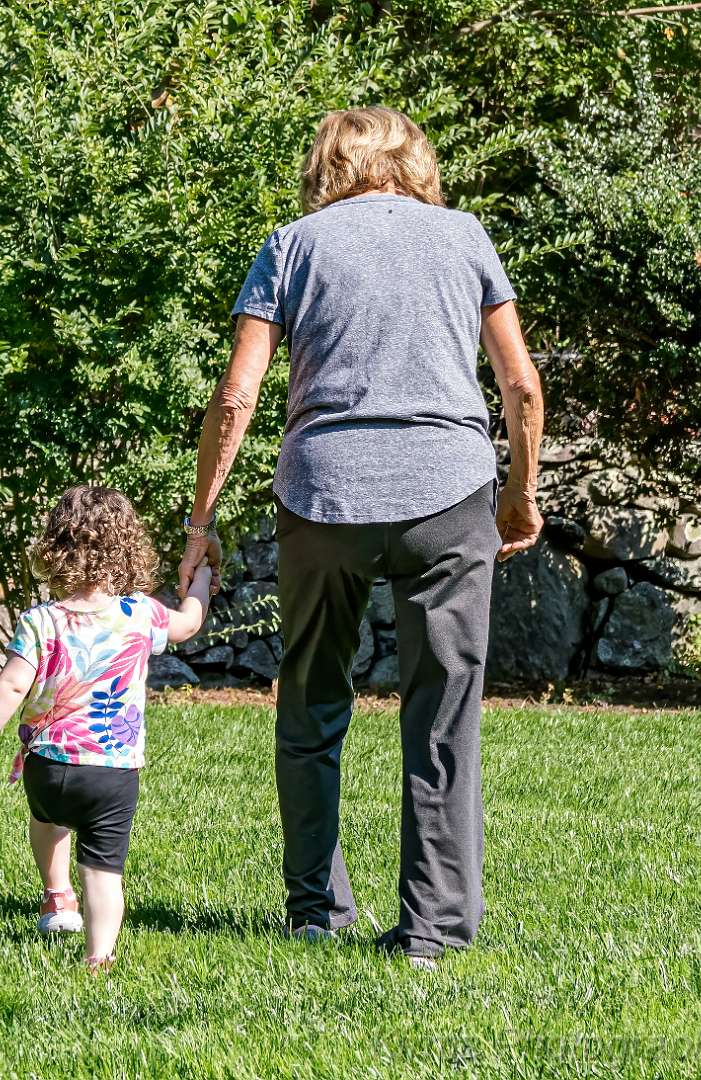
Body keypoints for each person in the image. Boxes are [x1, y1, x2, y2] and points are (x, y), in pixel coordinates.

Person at [176, 107, 545, 969]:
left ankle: (315, 911)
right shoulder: (464, 237)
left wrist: (200, 523)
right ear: (412, 162)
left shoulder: (290, 246)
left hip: (322, 495)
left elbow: (235, 396)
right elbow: (520, 386)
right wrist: (520, 496)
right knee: (441, 713)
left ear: (327, 165)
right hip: (447, 492)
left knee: (310, 701)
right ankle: (430, 932)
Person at [0, 485, 213, 971]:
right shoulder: (140, 612)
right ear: (127, 549)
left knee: (47, 821)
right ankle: (98, 956)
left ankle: (57, 897)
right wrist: (201, 579)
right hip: (112, 773)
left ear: (55, 549)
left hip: (47, 766)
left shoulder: (42, 621)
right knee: (103, 870)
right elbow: (188, 623)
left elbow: (11, 685)